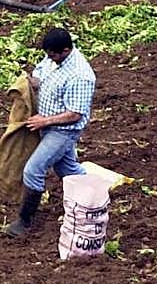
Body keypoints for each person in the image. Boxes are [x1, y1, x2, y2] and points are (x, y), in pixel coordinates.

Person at [6, 27, 96, 238]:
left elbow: (75, 114)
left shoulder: (80, 76)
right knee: (67, 169)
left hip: (62, 132)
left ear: (66, 50)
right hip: (47, 127)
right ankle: (94, 194)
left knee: (33, 169)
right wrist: (31, 82)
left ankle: (25, 222)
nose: (50, 58)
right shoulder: (53, 59)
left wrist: (44, 121)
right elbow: (41, 74)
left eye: (53, 55)